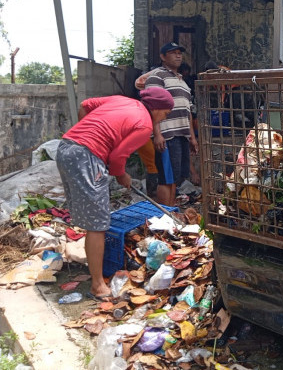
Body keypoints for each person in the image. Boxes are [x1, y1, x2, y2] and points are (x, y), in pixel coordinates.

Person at [55, 88, 174, 300]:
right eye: (165, 113)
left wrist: (86, 133)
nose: (164, 118)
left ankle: (93, 265)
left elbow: (85, 105)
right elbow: (119, 156)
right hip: (86, 156)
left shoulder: (122, 99)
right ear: (155, 109)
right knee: (98, 224)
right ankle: (98, 285)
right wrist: (121, 175)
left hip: (66, 147)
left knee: (90, 218)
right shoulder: (145, 124)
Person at [145, 42, 199, 206]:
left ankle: (171, 211)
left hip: (181, 135)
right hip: (167, 135)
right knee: (166, 178)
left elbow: (187, 111)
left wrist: (192, 137)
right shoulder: (156, 76)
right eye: (173, 52)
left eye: (179, 53)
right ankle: (165, 213)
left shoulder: (183, 82)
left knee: (176, 176)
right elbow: (152, 106)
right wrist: (158, 134)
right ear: (162, 57)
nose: (178, 55)